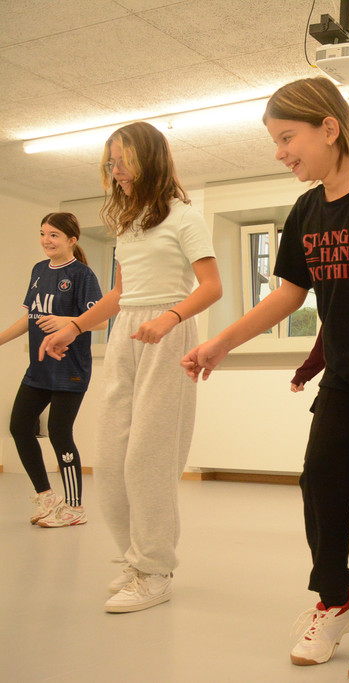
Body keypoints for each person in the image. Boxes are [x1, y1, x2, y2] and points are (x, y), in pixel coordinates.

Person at [181, 76, 349, 681]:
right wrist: (220, 343)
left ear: (329, 129)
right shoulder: (307, 211)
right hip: (346, 375)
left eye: (287, 138)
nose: (280, 152)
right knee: (322, 486)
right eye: (275, 141)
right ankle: (337, 601)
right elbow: (288, 295)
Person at [39, 121, 222, 613]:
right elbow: (120, 294)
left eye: (123, 161)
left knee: (148, 457)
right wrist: (75, 327)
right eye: (111, 162)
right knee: (112, 455)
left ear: (151, 161)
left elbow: (211, 286)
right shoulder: (128, 222)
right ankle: (134, 558)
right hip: (127, 332)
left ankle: (155, 569)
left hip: (168, 331)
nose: (116, 170)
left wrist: (170, 318)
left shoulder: (184, 217)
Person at [1, 213, 102, 527]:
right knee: (20, 426)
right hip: (39, 368)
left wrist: (66, 322)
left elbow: (100, 321)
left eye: (54, 235)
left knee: (59, 433)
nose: (46, 240)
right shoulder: (38, 270)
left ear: (72, 240)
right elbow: (29, 317)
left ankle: (74, 507)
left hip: (70, 368)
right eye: (43, 233)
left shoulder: (83, 275)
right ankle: (46, 496)